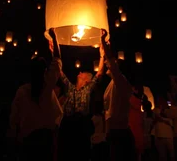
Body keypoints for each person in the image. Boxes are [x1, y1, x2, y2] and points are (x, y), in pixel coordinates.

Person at [8, 28, 63, 161]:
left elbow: (13, 119)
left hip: (28, 142)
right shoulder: (47, 87)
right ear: (44, 71)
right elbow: (57, 61)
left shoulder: (22, 91)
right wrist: (54, 38)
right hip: (45, 141)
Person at [58, 39, 105, 161]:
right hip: (67, 127)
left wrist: (102, 55)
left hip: (82, 128)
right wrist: (55, 49)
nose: (79, 72)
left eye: (83, 72)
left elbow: (99, 73)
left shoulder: (88, 88)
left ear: (87, 80)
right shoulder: (70, 88)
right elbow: (59, 71)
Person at [101, 29, 136, 161]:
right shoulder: (112, 84)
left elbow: (111, 63)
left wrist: (105, 44)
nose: (106, 64)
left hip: (120, 133)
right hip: (113, 132)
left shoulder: (121, 82)